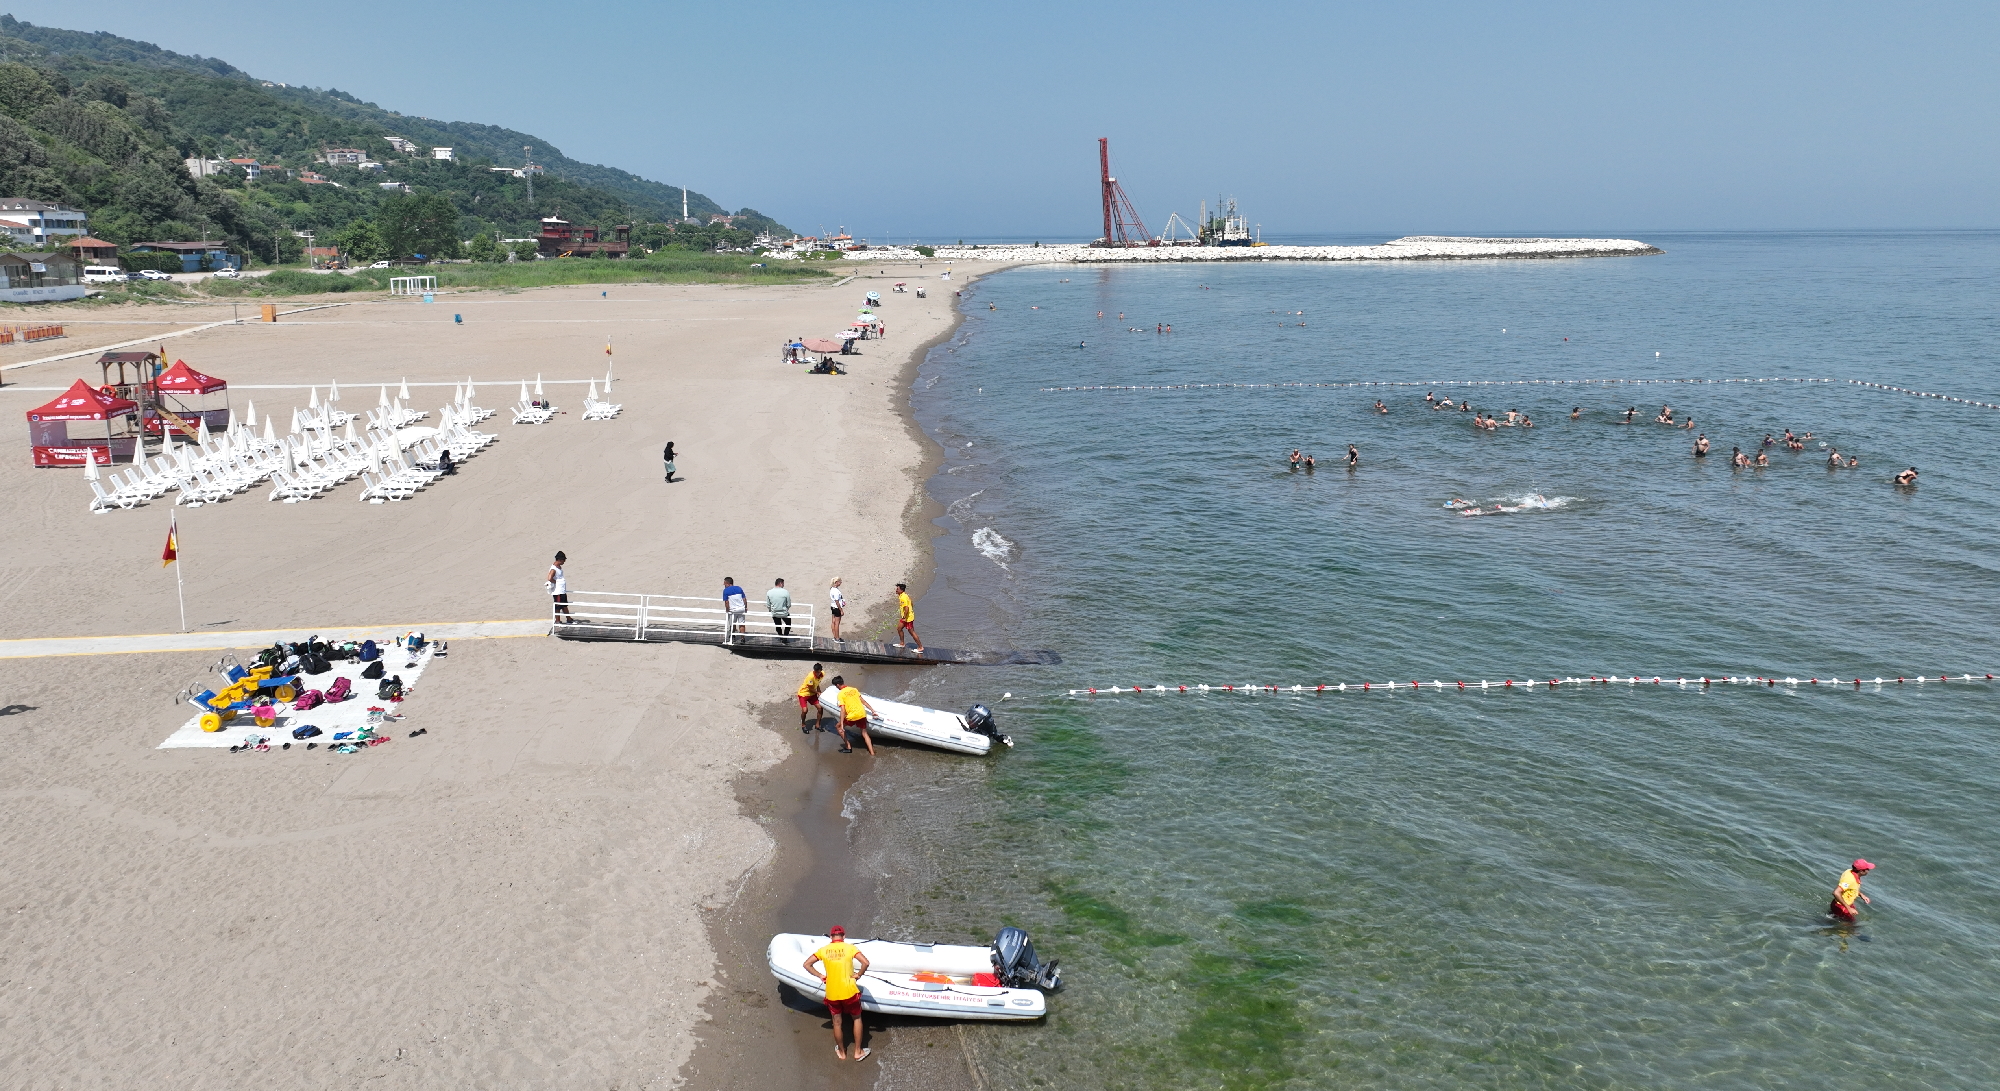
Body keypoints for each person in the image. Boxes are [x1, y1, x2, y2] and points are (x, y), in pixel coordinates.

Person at [804, 926, 871, 1061]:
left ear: (831, 937)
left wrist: (821, 976)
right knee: (857, 1019)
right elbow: (865, 962)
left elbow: (807, 964)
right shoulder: (850, 948)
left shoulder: (823, 950)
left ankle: (842, 1052)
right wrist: (858, 975)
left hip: (832, 992)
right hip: (849, 991)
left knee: (837, 1023)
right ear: (844, 936)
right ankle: (858, 1052)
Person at [829, 675, 874, 754]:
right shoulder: (854, 689)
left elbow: (843, 710)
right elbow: (863, 701)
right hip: (861, 713)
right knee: (864, 733)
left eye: (836, 686)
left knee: (838, 727)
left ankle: (848, 747)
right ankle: (872, 752)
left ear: (838, 685)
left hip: (852, 716)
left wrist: (842, 724)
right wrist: (873, 710)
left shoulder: (841, 694)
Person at [796, 663, 827, 734]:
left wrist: (819, 690)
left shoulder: (822, 674)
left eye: (819, 672)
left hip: (812, 694)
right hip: (804, 694)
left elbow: (817, 683)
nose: (817, 674)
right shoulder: (810, 677)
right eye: (816, 672)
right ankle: (803, 724)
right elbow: (810, 688)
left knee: (820, 708)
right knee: (805, 710)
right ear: (814, 671)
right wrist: (817, 692)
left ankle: (817, 725)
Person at [892, 582, 922, 652]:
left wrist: (905, 617)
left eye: (897, 589)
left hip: (908, 618)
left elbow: (906, 608)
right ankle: (902, 643)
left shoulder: (903, 597)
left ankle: (920, 647)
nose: (896, 590)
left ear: (901, 590)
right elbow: (911, 602)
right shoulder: (904, 595)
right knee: (899, 628)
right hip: (905, 617)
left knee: (912, 632)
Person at [547, 551, 571, 624]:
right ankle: (557, 620)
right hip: (557, 591)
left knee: (564, 605)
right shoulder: (554, 568)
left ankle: (569, 619)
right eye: (564, 560)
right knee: (558, 606)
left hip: (562, 590)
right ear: (560, 560)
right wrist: (556, 582)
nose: (564, 561)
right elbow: (549, 577)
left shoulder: (559, 567)